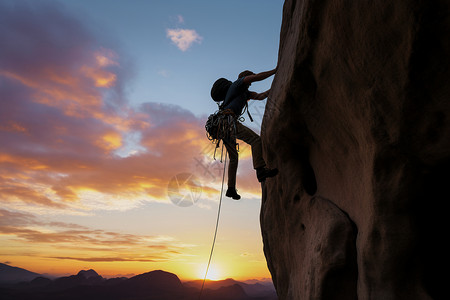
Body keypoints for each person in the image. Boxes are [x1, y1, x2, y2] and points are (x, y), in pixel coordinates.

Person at [213, 68, 278, 200]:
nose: (250, 83)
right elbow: (258, 77)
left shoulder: (245, 93)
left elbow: (260, 96)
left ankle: (231, 189)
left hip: (224, 126)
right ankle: (260, 170)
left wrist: (277, 85)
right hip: (228, 122)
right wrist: (275, 70)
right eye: (250, 79)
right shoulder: (237, 84)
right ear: (245, 77)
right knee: (255, 140)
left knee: (233, 158)